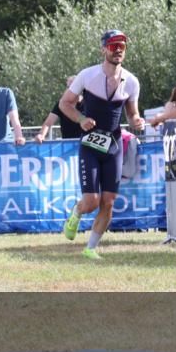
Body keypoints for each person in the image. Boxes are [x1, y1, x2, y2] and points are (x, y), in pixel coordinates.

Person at [59, 30, 145, 260]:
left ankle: (90, 248)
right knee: (91, 202)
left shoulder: (131, 81)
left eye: (122, 46)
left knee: (109, 202)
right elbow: (65, 103)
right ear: (103, 49)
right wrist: (81, 119)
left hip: (114, 146)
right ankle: (77, 212)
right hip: (90, 144)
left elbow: (132, 113)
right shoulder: (87, 75)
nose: (118, 50)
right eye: (113, 46)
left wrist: (137, 121)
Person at [35, 76, 84, 143]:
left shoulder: (88, 104)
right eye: (68, 87)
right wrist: (41, 135)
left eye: (73, 87)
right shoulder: (61, 104)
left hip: (86, 144)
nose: (70, 90)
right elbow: (48, 123)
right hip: (67, 144)